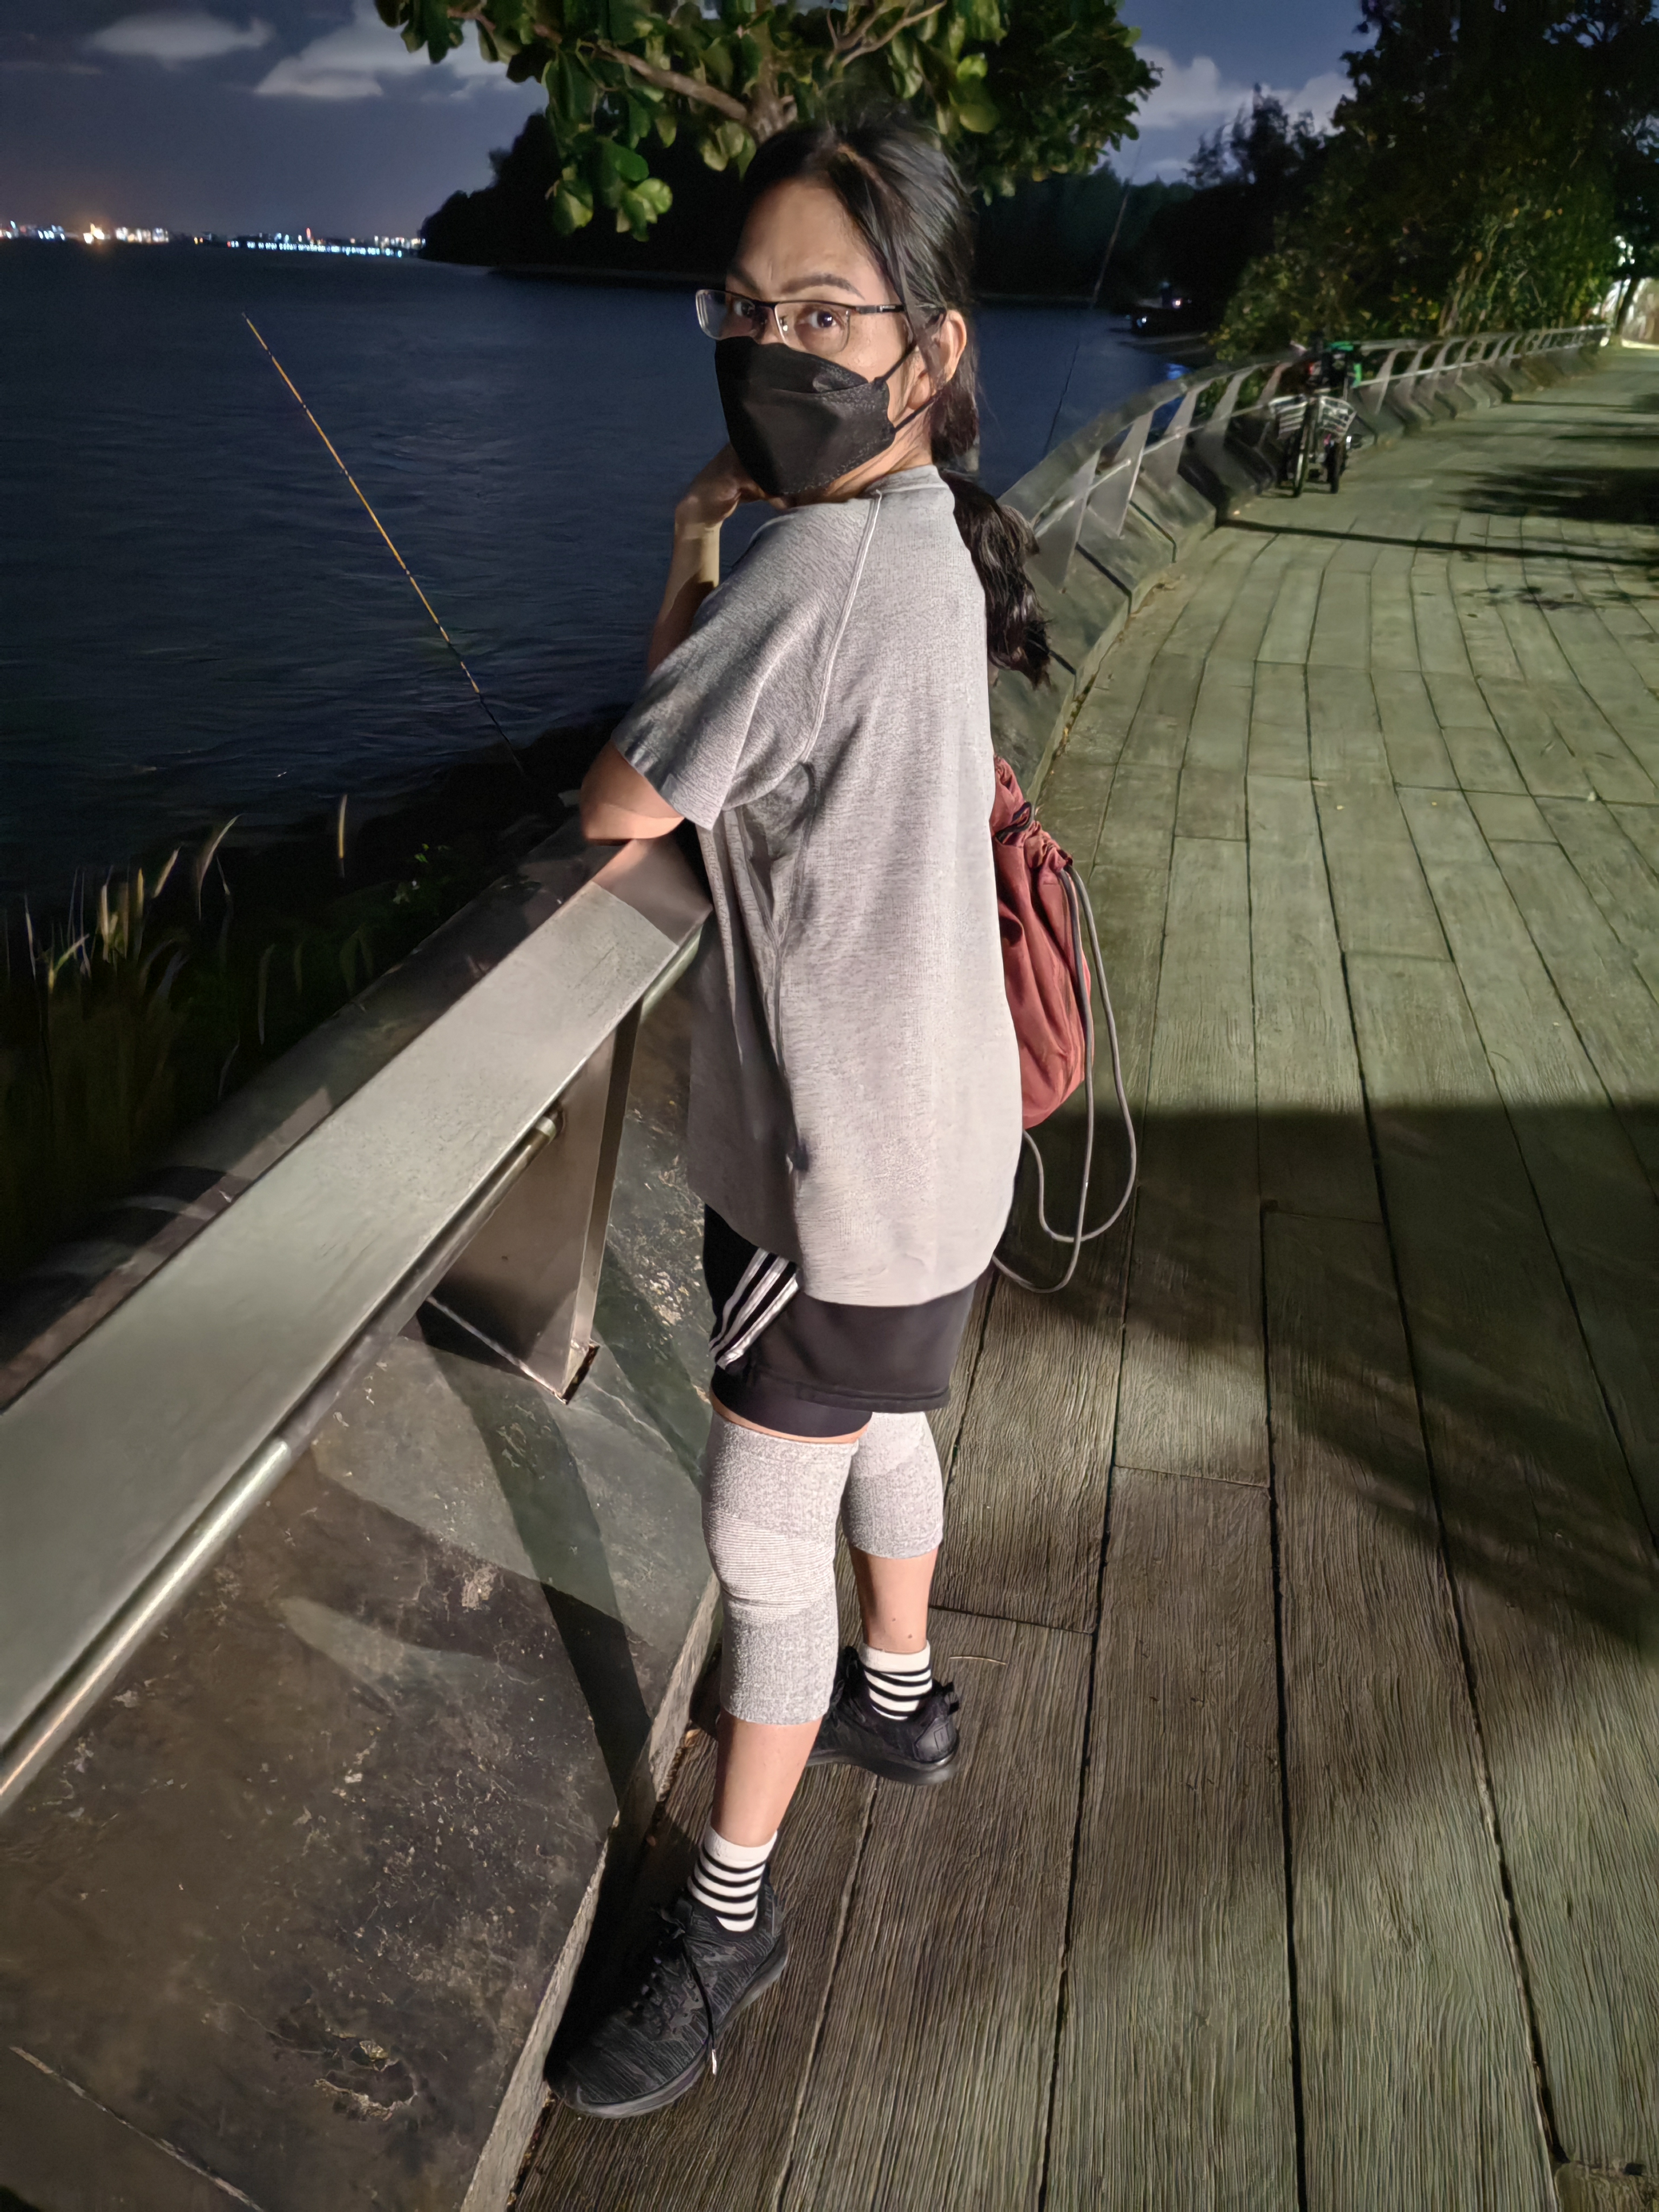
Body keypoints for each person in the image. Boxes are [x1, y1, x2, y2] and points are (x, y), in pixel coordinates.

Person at [551, 112, 1048, 2122]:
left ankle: (731, 1919)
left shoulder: (816, 564)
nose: (774, 350)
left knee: (764, 1548)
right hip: (943, 1146)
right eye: (748, 312)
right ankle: (901, 1699)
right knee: (887, 1425)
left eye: (825, 314)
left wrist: (690, 548)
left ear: (929, 347)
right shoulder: (923, 536)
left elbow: (621, 803)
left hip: (838, 1172)